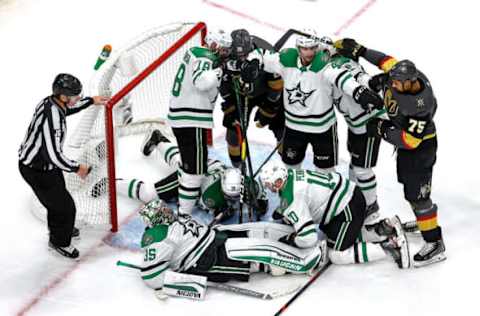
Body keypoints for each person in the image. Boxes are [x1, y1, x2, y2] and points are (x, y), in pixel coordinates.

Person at [333, 38, 445, 267]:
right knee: (409, 189)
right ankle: (423, 221)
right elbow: (386, 60)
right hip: (408, 147)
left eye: (396, 83)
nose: (391, 85)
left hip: (419, 150)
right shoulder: (406, 77)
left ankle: (434, 242)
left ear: (409, 83)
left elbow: (411, 140)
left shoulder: (420, 106)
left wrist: (383, 129)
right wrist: (361, 50)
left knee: (418, 196)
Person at [258, 29, 383, 173]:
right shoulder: (287, 59)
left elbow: (342, 78)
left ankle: (328, 196)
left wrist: (360, 92)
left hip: (322, 129)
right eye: (305, 48)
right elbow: (264, 56)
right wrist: (252, 61)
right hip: (293, 127)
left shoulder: (325, 63)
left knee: (326, 172)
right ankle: (289, 196)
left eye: (312, 48)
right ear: (298, 48)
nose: (309, 53)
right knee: (290, 169)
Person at [137, 198, 326, 293]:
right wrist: (182, 282)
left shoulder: (170, 224)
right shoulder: (156, 236)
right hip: (206, 260)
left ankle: (298, 238)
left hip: (214, 237)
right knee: (258, 248)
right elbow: (151, 276)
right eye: (162, 210)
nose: (168, 210)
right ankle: (304, 262)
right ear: (156, 218)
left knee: (260, 229)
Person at [18, 73, 109, 259]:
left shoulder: (51, 103)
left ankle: (60, 229)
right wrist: (78, 168)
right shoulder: (52, 120)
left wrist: (91, 101)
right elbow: (53, 156)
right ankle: (59, 242)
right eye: (75, 96)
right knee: (66, 207)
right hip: (37, 171)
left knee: (58, 203)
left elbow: (68, 110)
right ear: (63, 97)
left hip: (45, 168)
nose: (77, 99)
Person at [259, 161, 411, 269]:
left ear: (279, 180)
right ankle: (384, 229)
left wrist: (292, 240)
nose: (270, 188)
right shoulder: (291, 175)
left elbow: (309, 238)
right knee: (332, 236)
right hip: (349, 196)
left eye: (271, 184)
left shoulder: (293, 197)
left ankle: (389, 247)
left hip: (347, 208)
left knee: (337, 254)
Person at [92, 129, 268, 220]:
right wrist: (219, 211)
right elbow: (197, 203)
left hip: (207, 167)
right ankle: (110, 182)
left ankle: (158, 139)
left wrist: (259, 202)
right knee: (150, 194)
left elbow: (261, 196)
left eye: (234, 196)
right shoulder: (210, 195)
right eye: (228, 197)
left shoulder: (244, 182)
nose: (231, 200)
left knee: (178, 160)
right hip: (191, 180)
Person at [317, 36, 387, 222]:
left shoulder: (341, 63)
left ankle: (371, 209)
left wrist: (370, 84)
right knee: (355, 166)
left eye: (324, 52)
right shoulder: (323, 69)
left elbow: (358, 77)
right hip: (355, 124)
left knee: (362, 169)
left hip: (369, 123)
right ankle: (355, 200)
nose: (321, 56)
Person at [167, 29, 232, 215]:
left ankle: (158, 143)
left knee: (191, 162)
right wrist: (219, 71)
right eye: (224, 49)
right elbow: (202, 82)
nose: (225, 54)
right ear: (214, 45)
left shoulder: (195, 52)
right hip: (191, 119)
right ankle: (184, 215)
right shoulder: (206, 57)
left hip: (182, 117)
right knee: (195, 172)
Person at [220, 29, 284, 167]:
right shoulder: (226, 55)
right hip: (240, 96)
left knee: (281, 127)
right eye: (239, 55)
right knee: (233, 132)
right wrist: (230, 104)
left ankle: (288, 166)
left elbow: (277, 85)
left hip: (266, 92)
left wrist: (270, 106)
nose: (242, 58)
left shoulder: (267, 56)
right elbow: (223, 84)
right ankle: (238, 168)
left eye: (245, 55)